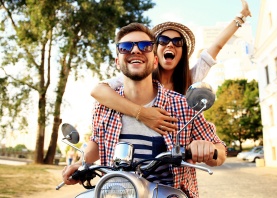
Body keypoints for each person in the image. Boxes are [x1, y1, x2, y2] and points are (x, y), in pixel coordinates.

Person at [62, 22, 226, 198]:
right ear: (118, 61)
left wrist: (207, 149)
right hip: (116, 195)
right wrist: (81, 163)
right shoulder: (104, 105)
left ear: (155, 60)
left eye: (145, 46)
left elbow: (221, 151)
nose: (135, 50)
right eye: (125, 47)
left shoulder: (182, 105)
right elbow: (97, 142)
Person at [90, 0, 252, 135]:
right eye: (163, 40)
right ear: (154, 52)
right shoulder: (141, 78)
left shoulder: (191, 79)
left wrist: (241, 17)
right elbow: (98, 91)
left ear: (183, 52)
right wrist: (142, 114)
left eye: (177, 42)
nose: (170, 44)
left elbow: (216, 45)